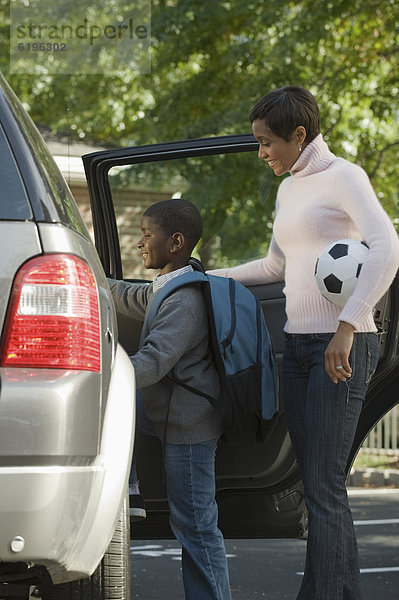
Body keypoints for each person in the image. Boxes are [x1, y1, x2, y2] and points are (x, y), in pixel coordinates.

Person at [211, 86, 399, 599]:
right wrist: (209, 277)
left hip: (342, 346)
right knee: (317, 487)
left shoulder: (345, 178)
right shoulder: (289, 188)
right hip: (296, 349)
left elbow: (387, 246)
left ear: (299, 135)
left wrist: (348, 325)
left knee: (323, 485)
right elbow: (275, 267)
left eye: (267, 142)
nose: (261, 153)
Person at [108, 198, 232, 600]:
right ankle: (129, 488)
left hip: (188, 425)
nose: (139, 244)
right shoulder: (168, 285)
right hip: (165, 410)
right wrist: (91, 280)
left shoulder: (185, 299)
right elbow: (130, 296)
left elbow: (154, 362)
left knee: (195, 527)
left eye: (147, 236)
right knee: (115, 413)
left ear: (175, 242)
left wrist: (102, 372)